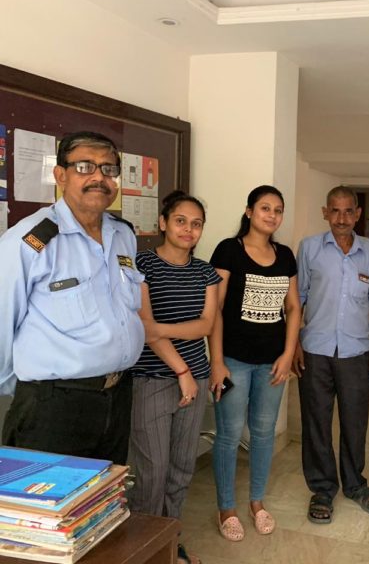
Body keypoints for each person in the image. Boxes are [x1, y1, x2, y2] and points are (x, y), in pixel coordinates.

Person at [0, 131, 143, 464]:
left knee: (105, 494)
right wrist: (31, 393)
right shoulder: (30, 240)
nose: (98, 177)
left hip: (117, 397)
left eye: (108, 169)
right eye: (84, 166)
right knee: (48, 496)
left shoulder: (123, 235)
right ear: (60, 175)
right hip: (54, 406)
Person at [127, 191, 220, 564]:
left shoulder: (205, 272)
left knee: (181, 469)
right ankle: (143, 550)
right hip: (151, 379)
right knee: (151, 472)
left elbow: (206, 324)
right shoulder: (141, 265)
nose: (188, 229)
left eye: (196, 224)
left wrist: (160, 328)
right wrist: (181, 370)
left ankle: (169, 541)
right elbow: (144, 328)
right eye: (181, 221)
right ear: (163, 222)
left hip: (196, 379)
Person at [208, 185, 300, 542]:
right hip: (233, 360)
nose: (272, 215)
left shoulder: (285, 255)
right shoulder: (228, 250)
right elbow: (215, 309)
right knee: (229, 434)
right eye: (265, 208)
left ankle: (257, 502)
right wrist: (217, 361)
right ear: (249, 211)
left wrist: (287, 355)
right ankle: (226, 508)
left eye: (278, 210)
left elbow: (293, 307)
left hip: (272, 363)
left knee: (263, 433)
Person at [292, 186, 369, 525]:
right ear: (325, 212)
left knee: (355, 420)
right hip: (315, 349)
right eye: (335, 210)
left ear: (358, 214)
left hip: (357, 350)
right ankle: (322, 488)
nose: (342, 218)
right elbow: (297, 299)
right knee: (316, 421)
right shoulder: (310, 248)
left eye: (348, 211)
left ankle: (355, 484)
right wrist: (294, 344)